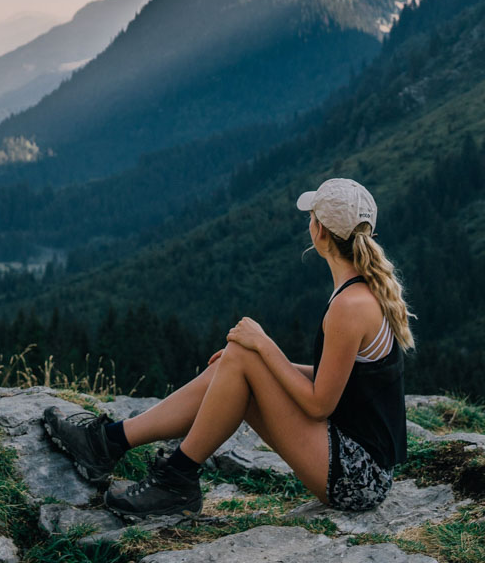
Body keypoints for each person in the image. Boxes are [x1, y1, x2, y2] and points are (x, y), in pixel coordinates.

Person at [42, 177, 412, 520]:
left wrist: (264, 348)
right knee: (238, 361)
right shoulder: (364, 292)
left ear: (320, 233)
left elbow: (319, 404)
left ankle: (171, 478)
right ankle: (110, 443)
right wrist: (261, 360)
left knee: (241, 358)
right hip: (361, 462)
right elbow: (338, 380)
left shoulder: (349, 307)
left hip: (358, 477)